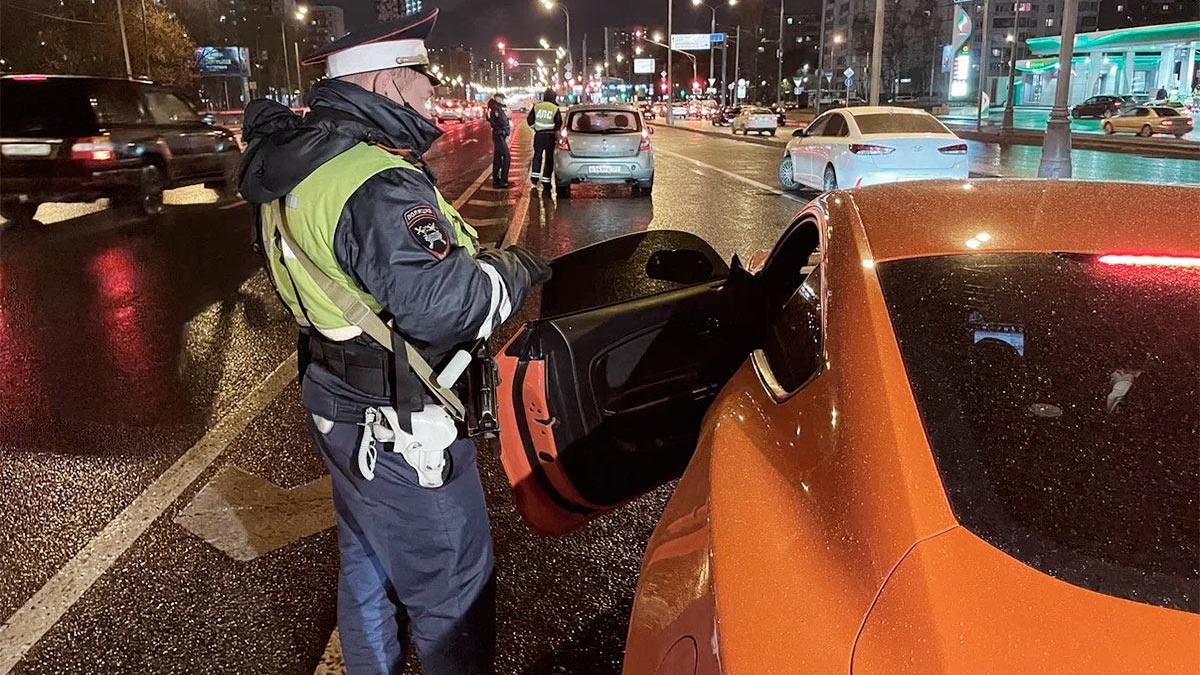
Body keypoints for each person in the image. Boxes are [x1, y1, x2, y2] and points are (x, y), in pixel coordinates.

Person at [237, 9, 551, 675]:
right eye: (422, 78)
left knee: (367, 562)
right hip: (402, 424)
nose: (434, 92)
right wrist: (513, 269)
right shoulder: (373, 180)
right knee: (452, 592)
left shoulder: (304, 161)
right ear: (385, 85)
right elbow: (445, 303)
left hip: (340, 401)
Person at [527, 88, 562, 189]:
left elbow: (530, 120)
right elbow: (558, 123)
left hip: (539, 135)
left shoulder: (537, 106)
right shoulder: (555, 108)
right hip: (550, 136)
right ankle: (546, 182)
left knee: (537, 156)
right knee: (549, 158)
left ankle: (534, 178)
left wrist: (536, 127)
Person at [487, 93, 511, 188]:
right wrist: (503, 130)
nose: (502, 100)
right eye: (501, 99)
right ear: (497, 98)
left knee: (497, 158)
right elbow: (495, 121)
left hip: (499, 134)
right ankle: (503, 180)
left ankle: (496, 181)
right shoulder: (495, 108)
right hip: (499, 135)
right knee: (506, 157)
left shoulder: (497, 107)